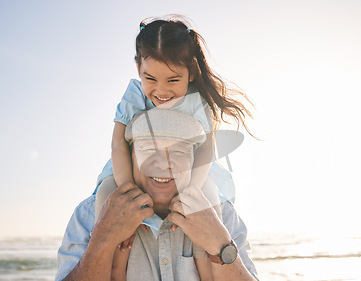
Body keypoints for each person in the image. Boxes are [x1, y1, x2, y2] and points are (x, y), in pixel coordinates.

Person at [93, 14, 254, 280]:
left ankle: (207, 266)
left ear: (190, 73)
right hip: (124, 168)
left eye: (172, 80)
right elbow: (118, 144)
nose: (161, 90)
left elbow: (205, 149)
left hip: (194, 171)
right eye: (151, 79)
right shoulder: (134, 94)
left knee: (209, 205)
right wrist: (127, 191)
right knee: (107, 202)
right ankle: (116, 262)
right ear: (138, 69)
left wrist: (192, 189)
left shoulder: (197, 101)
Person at [56, 108, 259, 281]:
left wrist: (221, 245)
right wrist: (102, 240)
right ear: (130, 157)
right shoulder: (89, 214)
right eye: (148, 148)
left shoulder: (223, 216)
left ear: (193, 161)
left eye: (179, 151)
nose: (163, 163)